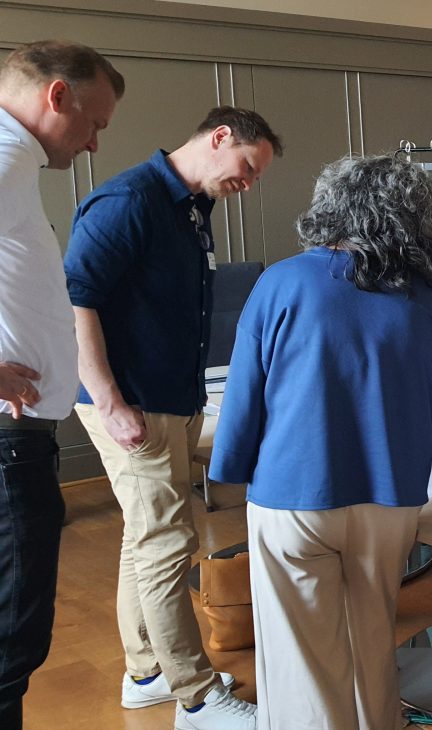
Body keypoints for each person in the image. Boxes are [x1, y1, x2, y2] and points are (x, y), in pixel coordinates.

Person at [208, 155, 432, 729]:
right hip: (390, 501)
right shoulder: (422, 298)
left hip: (292, 497)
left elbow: (245, 399)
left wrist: (231, 474)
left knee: (302, 660)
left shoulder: (281, 282)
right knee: (373, 640)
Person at [65, 106, 282, 728]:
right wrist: (109, 403)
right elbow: (76, 300)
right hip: (132, 404)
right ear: (218, 138)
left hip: (172, 399)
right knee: (168, 543)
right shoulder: (128, 200)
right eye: (246, 167)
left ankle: (146, 673)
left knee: (148, 538)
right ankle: (194, 696)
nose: (248, 184)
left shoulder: (192, 208)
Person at [0, 40, 123, 728]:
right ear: (56, 95)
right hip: (7, 445)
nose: (95, 142)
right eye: (94, 122)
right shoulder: (8, 156)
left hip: (17, 442)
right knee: (10, 648)